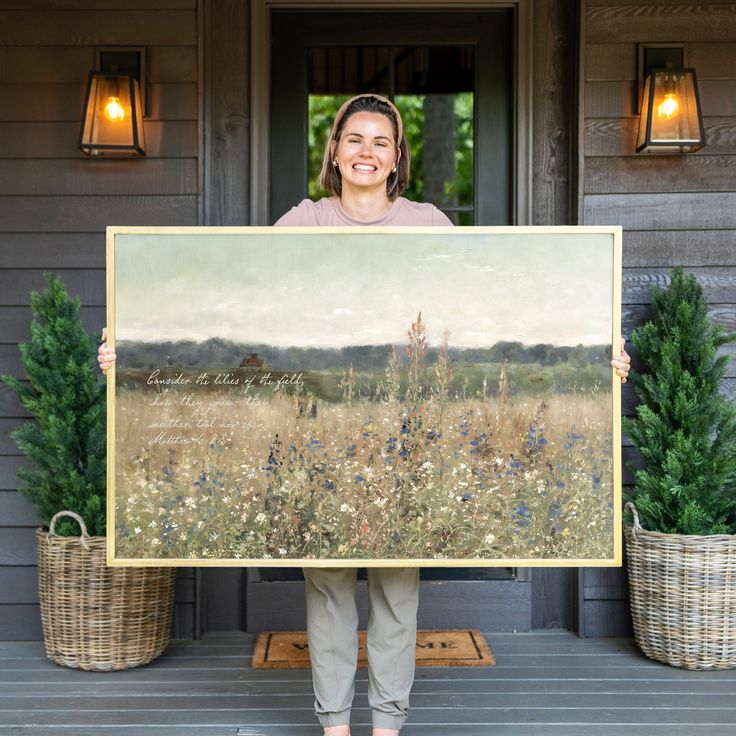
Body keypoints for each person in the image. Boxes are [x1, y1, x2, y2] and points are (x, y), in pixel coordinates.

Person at [97, 93, 631, 736]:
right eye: (355, 139)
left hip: (408, 434)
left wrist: (600, 353)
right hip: (321, 435)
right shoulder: (304, 222)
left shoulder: (431, 223)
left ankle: (387, 723)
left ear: (397, 156)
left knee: (396, 589)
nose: (366, 152)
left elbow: (482, 303)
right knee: (325, 588)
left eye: (381, 142)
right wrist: (128, 346)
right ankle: (333, 724)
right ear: (335, 150)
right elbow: (243, 303)